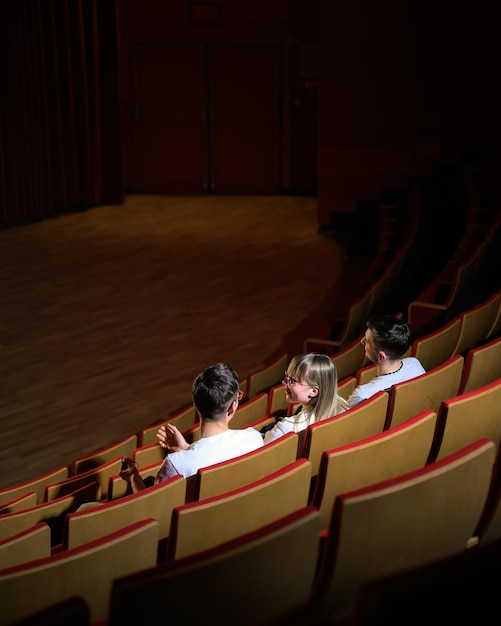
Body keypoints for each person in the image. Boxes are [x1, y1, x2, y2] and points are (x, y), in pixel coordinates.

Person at [120, 362, 264, 495]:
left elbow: (152, 507)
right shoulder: (254, 438)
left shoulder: (176, 464)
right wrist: (185, 448)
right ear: (232, 407)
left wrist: (133, 476)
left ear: (196, 405)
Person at [260, 352, 349, 444]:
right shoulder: (344, 407)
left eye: (293, 381)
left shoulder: (286, 428)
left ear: (314, 391)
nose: (284, 382)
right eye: (287, 376)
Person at [347, 314, 426, 408]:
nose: (362, 341)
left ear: (381, 356)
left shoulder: (362, 395)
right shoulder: (415, 365)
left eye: (367, 341)